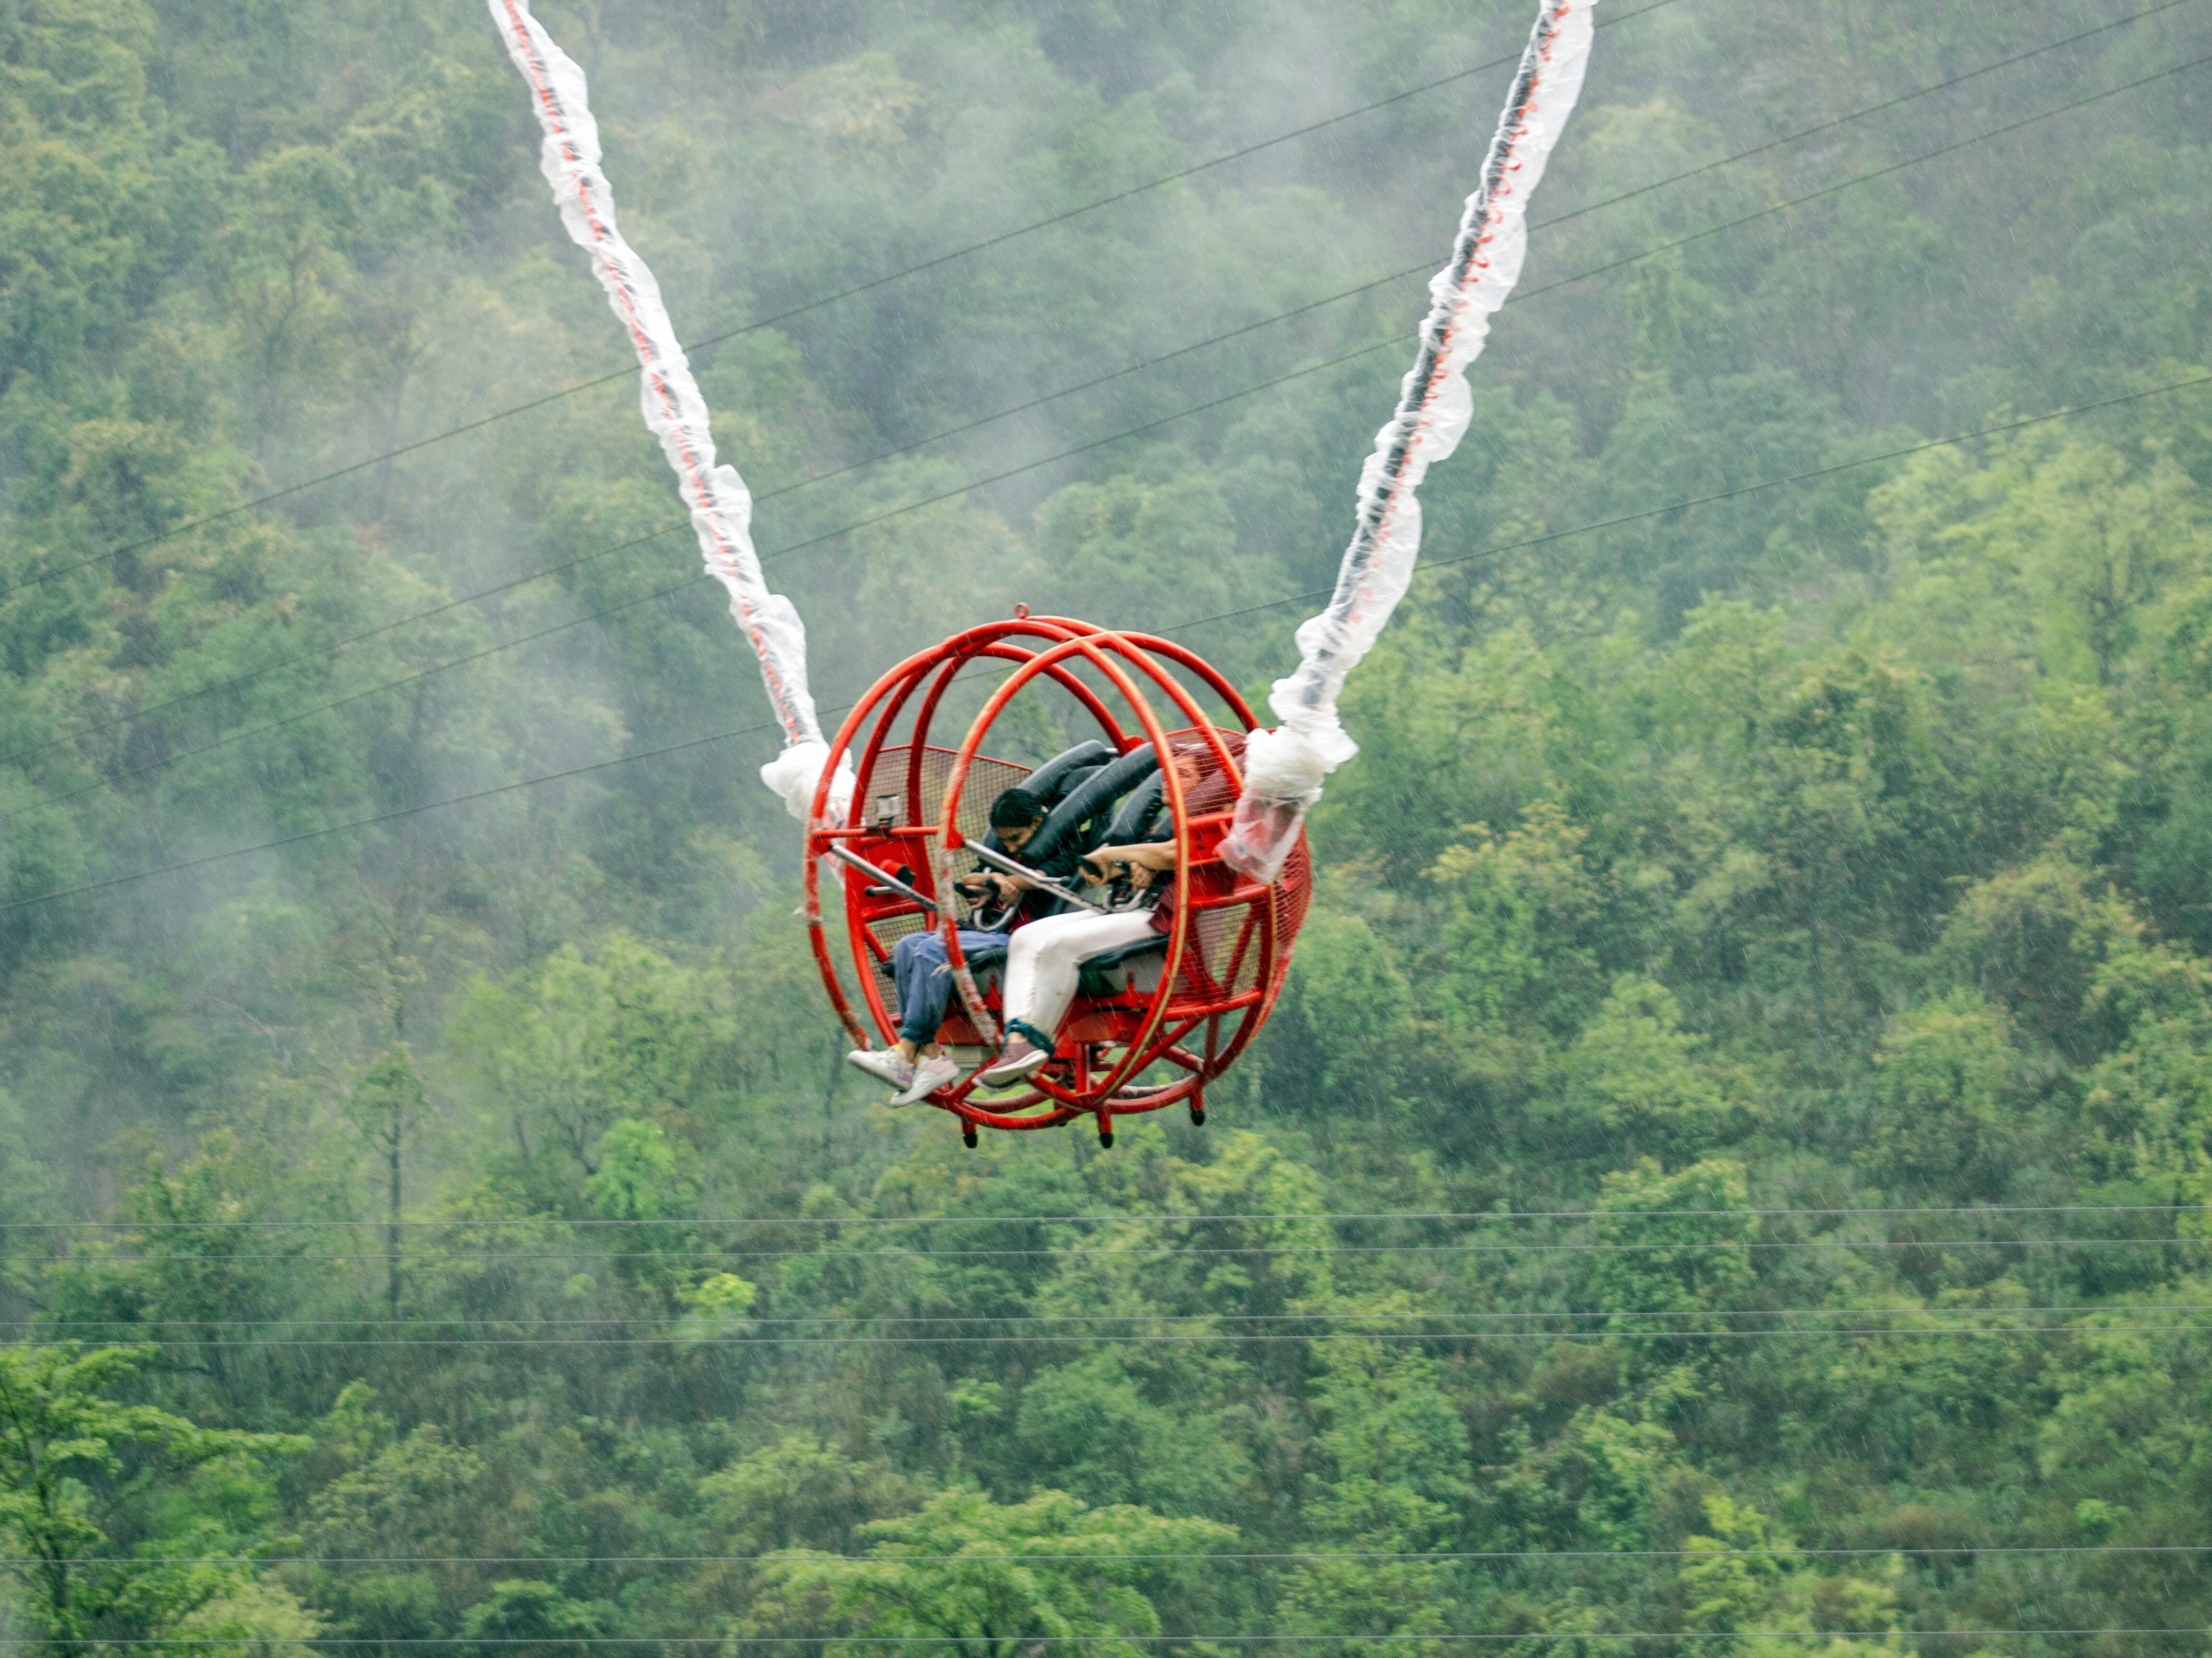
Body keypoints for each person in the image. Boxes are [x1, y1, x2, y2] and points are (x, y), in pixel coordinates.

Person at [846, 785, 1049, 1105]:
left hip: (1022, 938)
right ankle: (928, 1054)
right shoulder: (1006, 854)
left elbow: (1047, 877)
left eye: (1016, 839)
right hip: (988, 930)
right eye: (1005, 840)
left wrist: (1011, 882)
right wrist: (993, 881)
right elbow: (971, 879)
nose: (1010, 846)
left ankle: (907, 1051)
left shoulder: (1055, 847)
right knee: (907, 946)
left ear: (1037, 824)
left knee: (932, 950)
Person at [978, 835, 1179, 1087]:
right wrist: (1134, 859)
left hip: (1161, 919)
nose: (1162, 792)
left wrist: (1130, 857)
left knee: (1062, 945)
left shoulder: (1206, 807)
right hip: (1125, 906)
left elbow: (1172, 854)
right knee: (1024, 938)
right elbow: (1095, 863)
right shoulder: (1162, 819)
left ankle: (1035, 1041)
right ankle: (1016, 1041)